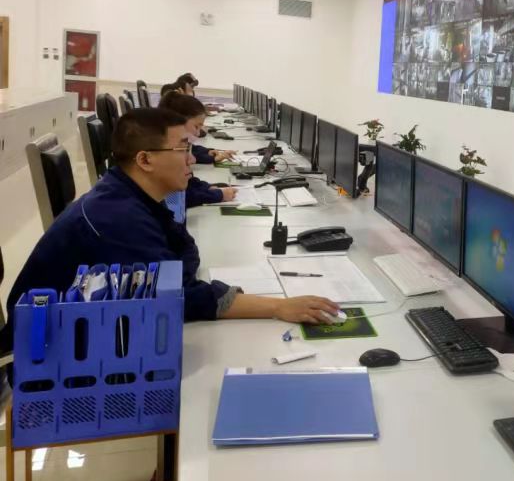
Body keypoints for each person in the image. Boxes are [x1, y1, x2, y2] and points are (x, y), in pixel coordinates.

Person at [0, 109, 338, 353]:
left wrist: (179, 274)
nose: (192, 159)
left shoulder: (131, 195)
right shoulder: (119, 218)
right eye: (183, 149)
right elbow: (179, 297)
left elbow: (180, 255)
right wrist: (279, 307)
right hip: (51, 352)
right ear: (145, 160)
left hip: (81, 331)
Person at [158, 93, 236, 165]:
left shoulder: (175, 143)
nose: (198, 133)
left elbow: (192, 149)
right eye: (196, 126)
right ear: (177, 122)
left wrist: (207, 152)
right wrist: (211, 158)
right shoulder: (166, 150)